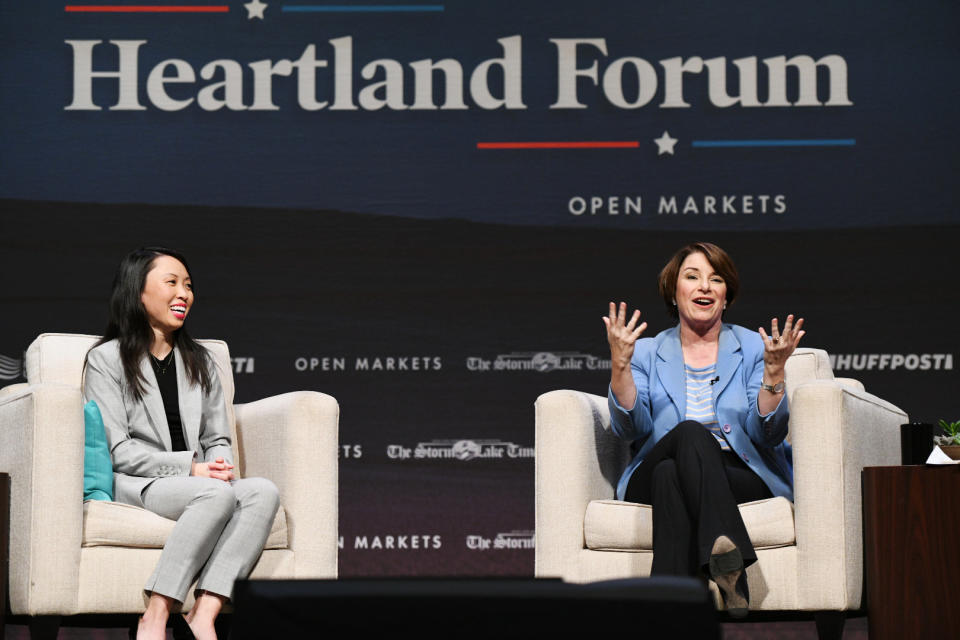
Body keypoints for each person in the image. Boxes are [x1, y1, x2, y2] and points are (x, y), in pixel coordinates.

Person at [83, 247, 280, 640]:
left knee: (262, 491)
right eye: (171, 283)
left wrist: (220, 467)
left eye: (188, 285)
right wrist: (192, 469)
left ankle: (204, 614)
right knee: (213, 496)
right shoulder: (106, 360)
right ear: (138, 292)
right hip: (139, 481)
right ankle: (155, 615)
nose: (184, 294)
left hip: (199, 482)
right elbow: (118, 450)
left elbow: (217, 436)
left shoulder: (201, 360)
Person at [603, 242, 803, 617]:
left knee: (669, 477)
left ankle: (670, 615)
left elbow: (767, 436)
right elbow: (632, 429)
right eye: (692, 277)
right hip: (652, 465)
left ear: (726, 297)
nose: (705, 287)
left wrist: (774, 374)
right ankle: (730, 566)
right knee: (686, 438)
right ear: (674, 292)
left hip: (738, 473)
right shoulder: (645, 352)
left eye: (716, 279)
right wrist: (620, 367)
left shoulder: (751, 347)